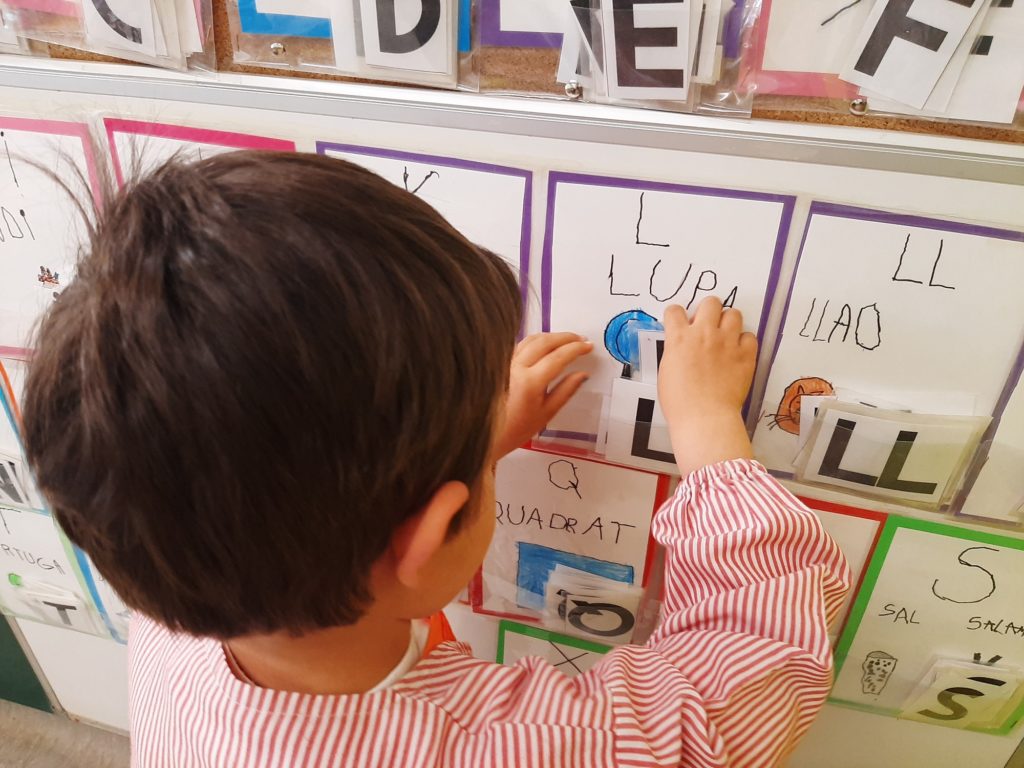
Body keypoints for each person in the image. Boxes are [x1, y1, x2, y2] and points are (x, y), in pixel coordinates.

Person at [22, 151, 849, 767]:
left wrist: (458, 450)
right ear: (429, 532)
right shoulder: (515, 747)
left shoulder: (177, 610)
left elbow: (265, 466)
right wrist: (707, 427)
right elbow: (745, 682)